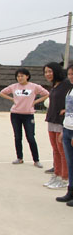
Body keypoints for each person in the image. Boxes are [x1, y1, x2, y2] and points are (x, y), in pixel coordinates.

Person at [0, 68, 49, 167]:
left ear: (27, 76)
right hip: (15, 114)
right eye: (18, 76)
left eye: (22, 76)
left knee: (30, 137)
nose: (20, 78)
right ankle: (19, 158)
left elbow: (47, 94)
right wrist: (12, 99)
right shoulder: (14, 86)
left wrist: (35, 102)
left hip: (28, 115)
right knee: (18, 137)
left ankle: (36, 160)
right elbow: (1, 93)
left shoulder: (34, 86)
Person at [43, 63, 70, 188]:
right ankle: (57, 175)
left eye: (50, 71)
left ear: (56, 71)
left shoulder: (67, 84)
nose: (47, 74)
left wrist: (67, 110)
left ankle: (65, 178)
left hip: (62, 122)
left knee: (62, 151)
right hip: (52, 120)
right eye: (46, 72)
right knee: (55, 150)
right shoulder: (54, 85)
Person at [57, 65, 73, 206]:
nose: (71, 76)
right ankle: (70, 192)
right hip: (67, 128)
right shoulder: (70, 90)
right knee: (70, 163)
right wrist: (63, 130)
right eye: (69, 74)